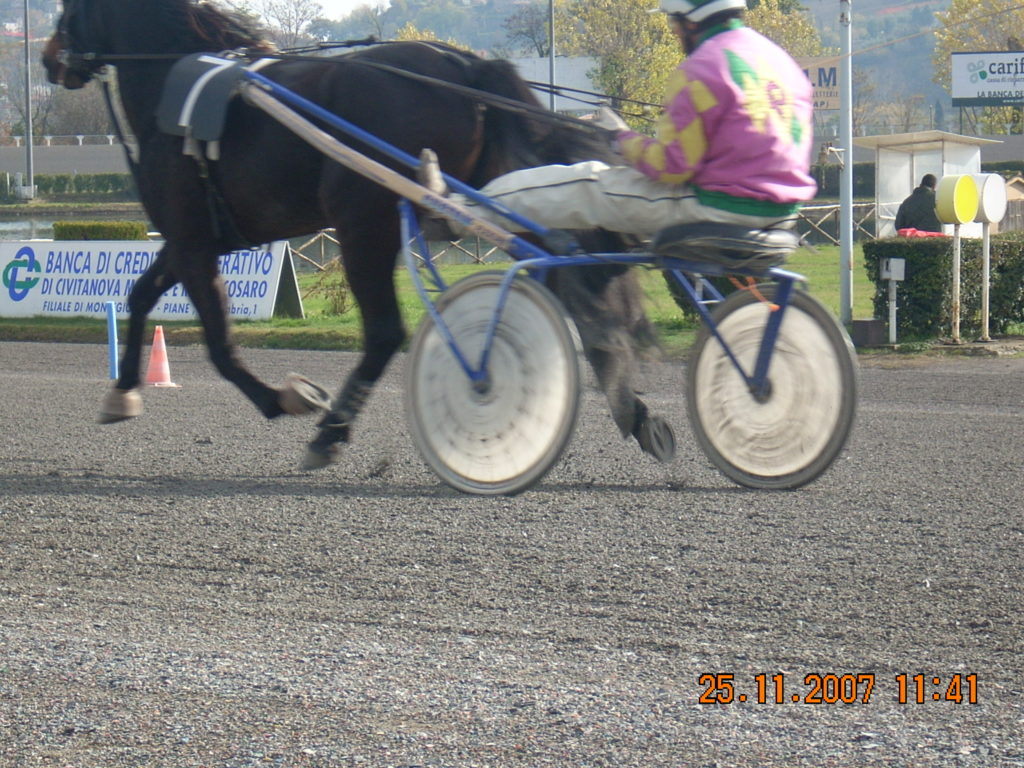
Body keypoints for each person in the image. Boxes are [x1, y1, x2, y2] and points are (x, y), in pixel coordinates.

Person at [419, 0, 817, 259]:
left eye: (674, 23)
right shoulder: (780, 62)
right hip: (782, 211)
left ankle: (454, 212)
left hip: (717, 208)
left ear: (691, 21)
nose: (674, 33)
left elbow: (672, 167)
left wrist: (619, 139)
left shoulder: (701, 70)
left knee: (586, 183)